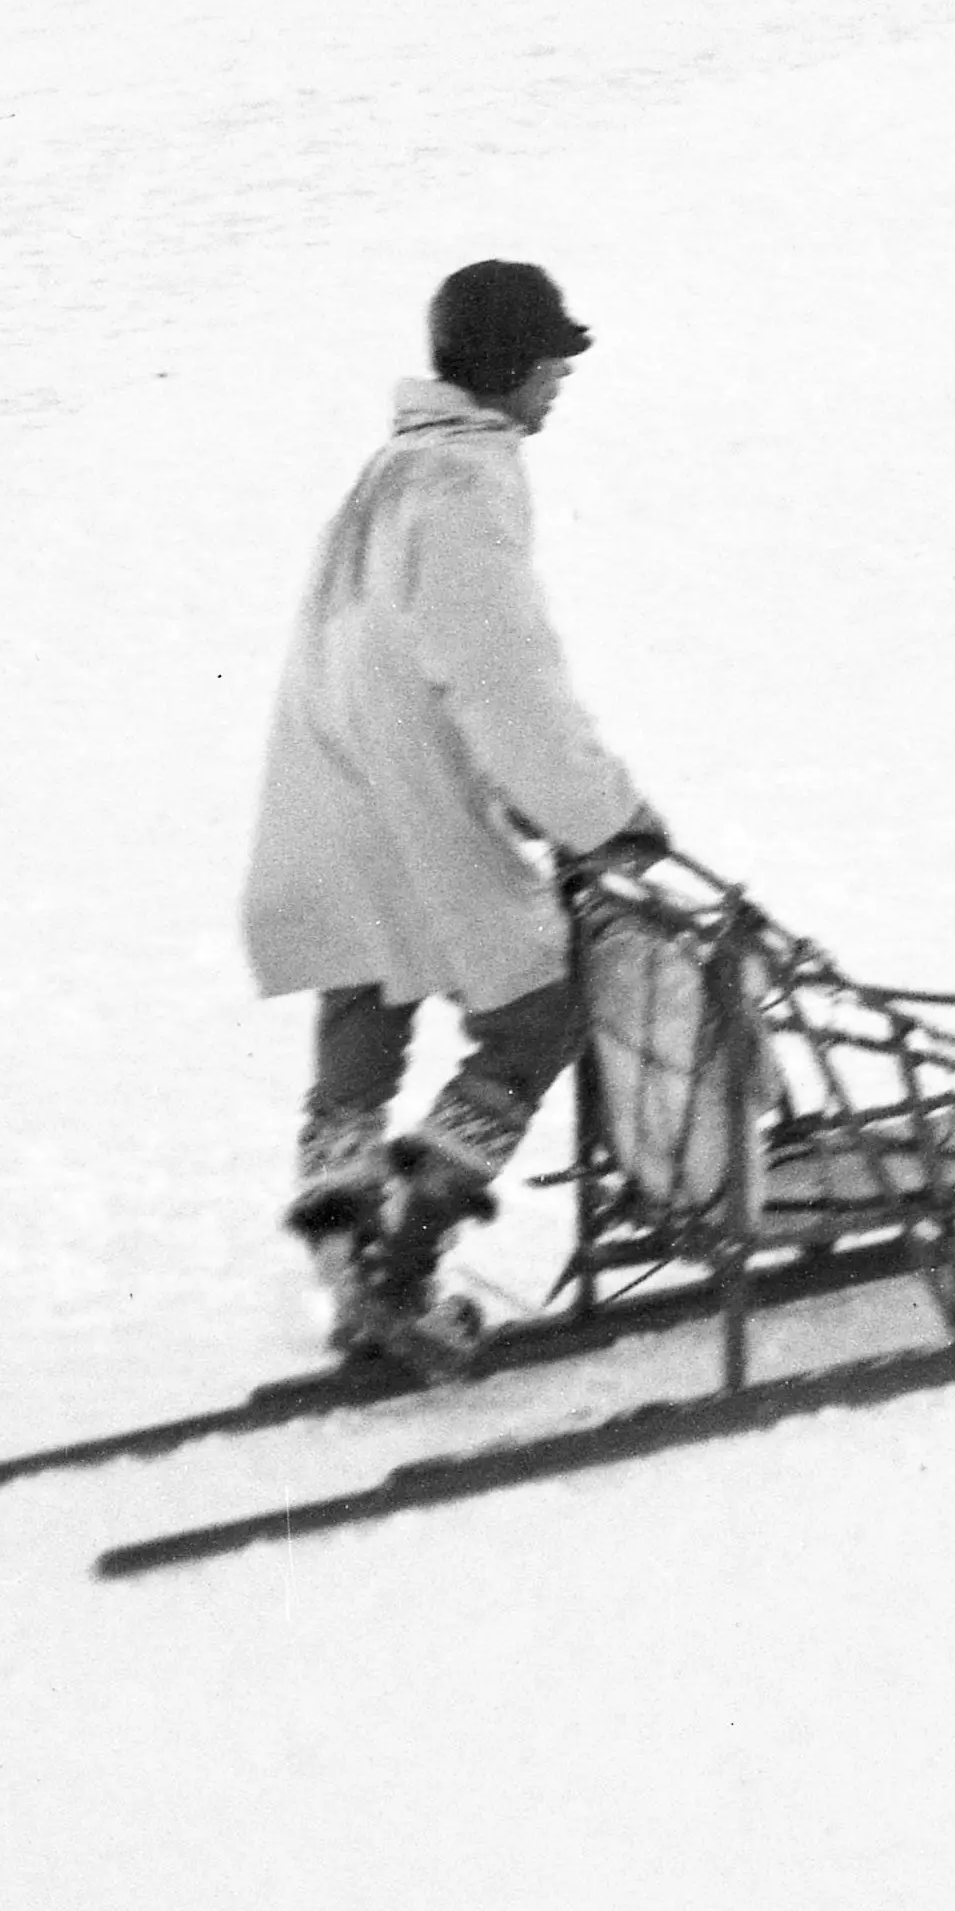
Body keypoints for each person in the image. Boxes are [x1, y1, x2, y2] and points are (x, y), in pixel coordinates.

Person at [243, 259, 670, 1370]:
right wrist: (601, 813)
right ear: (513, 365)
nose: (565, 374)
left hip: (336, 785)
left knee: (366, 990)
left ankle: (345, 1236)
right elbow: (504, 683)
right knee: (538, 1011)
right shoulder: (464, 486)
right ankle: (405, 1246)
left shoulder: (395, 466)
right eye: (553, 357)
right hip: (406, 797)